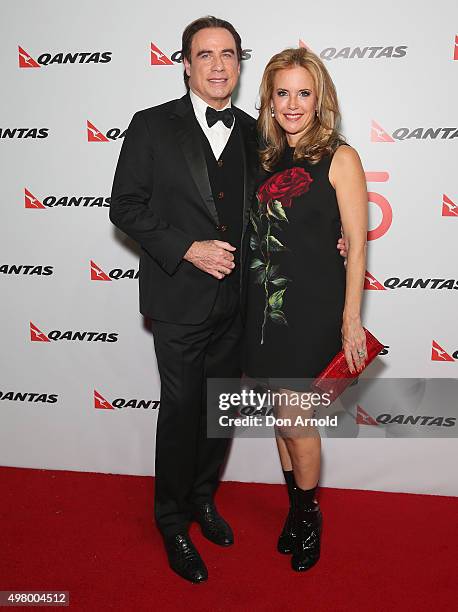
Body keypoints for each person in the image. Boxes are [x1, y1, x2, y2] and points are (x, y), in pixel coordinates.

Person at [110, 16, 258, 583]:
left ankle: (201, 500)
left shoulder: (252, 130)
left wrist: (334, 234)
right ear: (186, 63)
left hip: (238, 302)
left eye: (228, 54)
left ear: (240, 63)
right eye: (206, 55)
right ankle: (170, 520)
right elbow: (125, 205)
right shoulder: (151, 126)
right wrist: (189, 248)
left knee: (220, 412)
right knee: (180, 411)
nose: (218, 65)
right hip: (178, 300)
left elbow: (281, 208)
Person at [243, 47, 368, 572]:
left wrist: (350, 320)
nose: (292, 104)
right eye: (282, 92)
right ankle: (295, 510)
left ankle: (309, 515)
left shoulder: (340, 157)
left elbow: (357, 245)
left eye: (303, 92)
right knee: (280, 418)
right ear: (270, 99)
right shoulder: (265, 156)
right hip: (263, 310)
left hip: (313, 309)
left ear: (321, 99)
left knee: (298, 419)